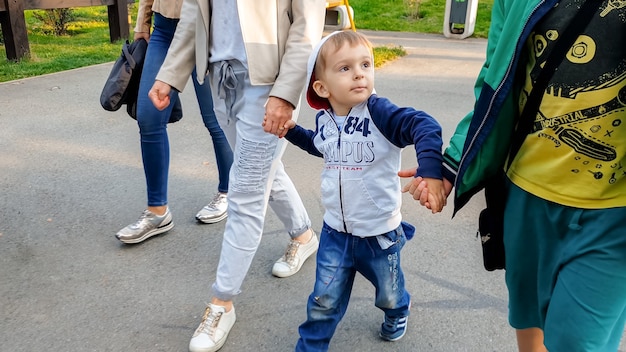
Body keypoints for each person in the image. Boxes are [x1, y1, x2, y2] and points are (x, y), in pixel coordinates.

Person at [403, 0, 626, 351]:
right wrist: (453, 163)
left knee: (577, 343)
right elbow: (495, 77)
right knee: (529, 323)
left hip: (613, 214)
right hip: (523, 196)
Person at [147, 1, 327, 351]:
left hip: (268, 85)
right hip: (221, 78)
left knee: (245, 191)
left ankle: (221, 303)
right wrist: (170, 74)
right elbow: (194, 15)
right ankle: (304, 236)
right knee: (261, 174)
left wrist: (285, 94)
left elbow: (307, 25)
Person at [276, 31, 445, 351]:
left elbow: (423, 125)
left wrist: (430, 169)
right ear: (321, 87)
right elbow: (320, 145)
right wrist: (293, 132)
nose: (359, 73)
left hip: (379, 233)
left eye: (366, 64)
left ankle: (398, 309)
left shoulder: (379, 112)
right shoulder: (326, 119)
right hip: (335, 232)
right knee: (323, 300)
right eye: (345, 68)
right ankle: (310, 346)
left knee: (389, 292)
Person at [115, 0, 233, 244]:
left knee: (216, 120)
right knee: (148, 117)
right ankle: (157, 212)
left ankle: (228, 191)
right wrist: (142, 24)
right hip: (165, 29)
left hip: (205, 28)